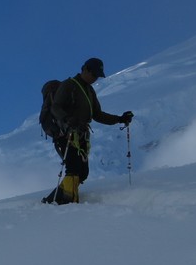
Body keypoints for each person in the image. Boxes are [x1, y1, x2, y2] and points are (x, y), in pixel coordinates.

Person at [43, 57, 134, 204]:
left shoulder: (89, 90)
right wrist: (66, 119)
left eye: (97, 76)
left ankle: (55, 200)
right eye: (94, 75)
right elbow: (55, 107)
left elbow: (97, 114)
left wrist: (120, 119)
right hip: (67, 133)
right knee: (73, 169)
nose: (95, 78)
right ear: (85, 69)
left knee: (82, 173)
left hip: (81, 134)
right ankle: (67, 203)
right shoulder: (69, 85)